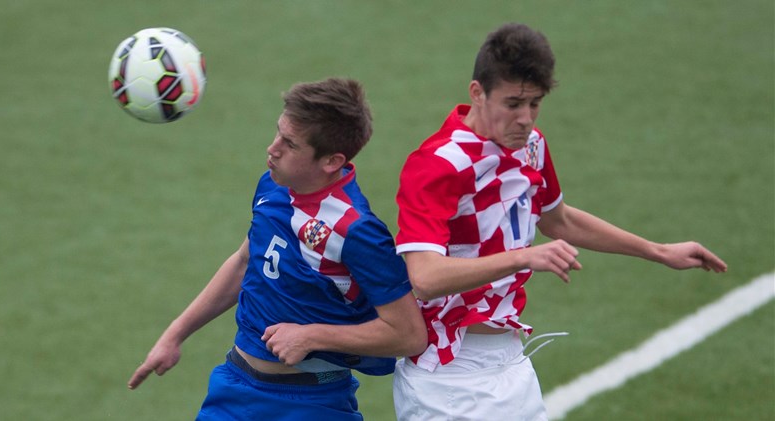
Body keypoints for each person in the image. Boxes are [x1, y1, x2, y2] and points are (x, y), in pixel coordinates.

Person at [391, 23, 728, 421]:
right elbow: (425, 276)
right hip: (447, 374)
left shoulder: (531, 146)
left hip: (512, 363)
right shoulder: (439, 165)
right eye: (513, 103)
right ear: (477, 93)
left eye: (535, 103)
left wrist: (657, 250)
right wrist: (522, 257)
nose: (525, 118)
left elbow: (558, 219)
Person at [128, 77, 427, 420]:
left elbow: (408, 335)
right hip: (234, 388)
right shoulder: (273, 185)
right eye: (278, 133)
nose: (273, 148)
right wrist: (174, 335)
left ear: (331, 161)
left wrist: (312, 336)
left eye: (290, 143)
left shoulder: (356, 231)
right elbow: (244, 263)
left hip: (311, 404)